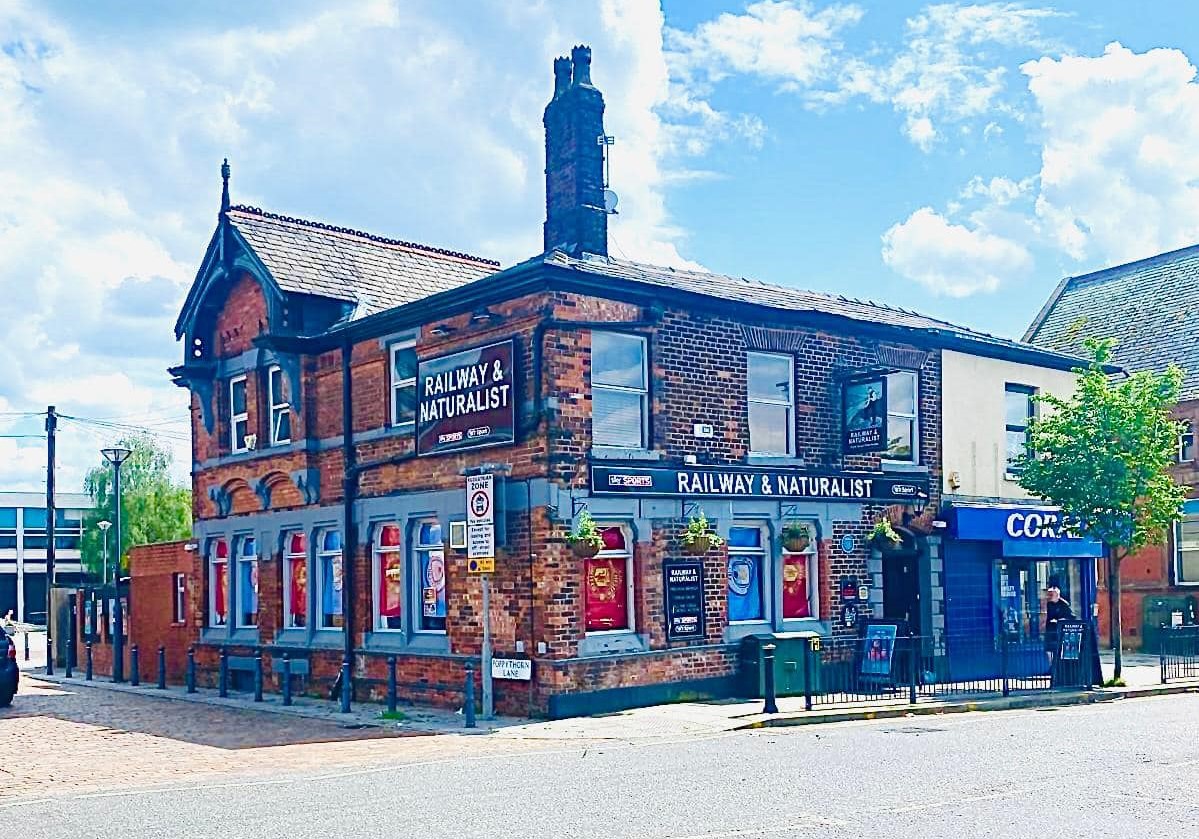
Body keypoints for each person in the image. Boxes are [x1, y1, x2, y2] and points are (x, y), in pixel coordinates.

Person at [1044, 578, 1074, 666]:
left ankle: (1058, 667)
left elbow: (1072, 617)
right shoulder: (1049, 604)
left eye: (1052, 595)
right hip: (1050, 630)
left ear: (1057, 595)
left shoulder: (1064, 605)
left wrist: (1060, 620)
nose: (1050, 597)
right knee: (1048, 649)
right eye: (1049, 595)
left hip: (1059, 631)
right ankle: (1051, 667)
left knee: (1058, 649)